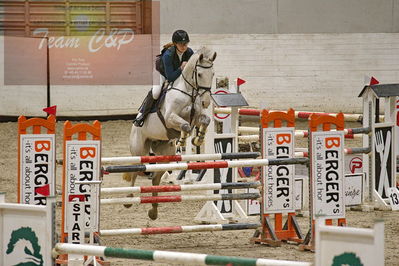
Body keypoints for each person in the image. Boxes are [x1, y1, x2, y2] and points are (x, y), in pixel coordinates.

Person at [134, 29, 194, 127]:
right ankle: (142, 115)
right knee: (156, 92)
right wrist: (181, 68)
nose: (184, 46)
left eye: (186, 43)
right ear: (175, 44)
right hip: (162, 73)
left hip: (178, 74)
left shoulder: (190, 52)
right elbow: (170, 77)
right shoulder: (168, 55)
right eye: (181, 44)